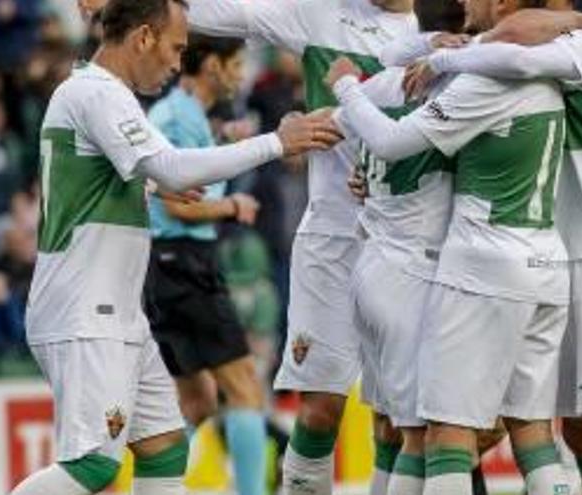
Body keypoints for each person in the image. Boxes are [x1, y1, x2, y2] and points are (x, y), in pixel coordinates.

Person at [11, 0, 340, 493]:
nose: (175, 62)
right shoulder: (95, 94)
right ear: (143, 37)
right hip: (84, 309)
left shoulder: (105, 95)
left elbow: (126, 177)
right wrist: (279, 141)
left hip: (119, 311)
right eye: (175, 48)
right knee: (94, 465)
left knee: (165, 447)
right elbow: (171, 165)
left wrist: (153, 187)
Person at [367, 0, 582, 493]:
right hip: (556, 251)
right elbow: (415, 60)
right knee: (576, 432)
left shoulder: (577, 45)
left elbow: (519, 51)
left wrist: (441, 59)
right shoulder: (497, 57)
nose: (462, 4)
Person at [327, 0, 577, 491]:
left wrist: (346, 87)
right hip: (534, 259)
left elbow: (384, 136)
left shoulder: (440, 80)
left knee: (426, 435)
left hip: (439, 265)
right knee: (522, 432)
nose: (469, 3)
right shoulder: (557, 69)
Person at [186, 2, 425, 494]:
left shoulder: (431, 43)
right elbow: (229, 15)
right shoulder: (321, 13)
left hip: (402, 243)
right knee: (320, 409)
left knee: (398, 420)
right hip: (332, 242)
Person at [144, 34, 268, 495]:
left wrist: (218, 139)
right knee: (245, 388)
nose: (241, 74)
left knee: (196, 402)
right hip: (183, 262)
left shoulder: (189, 118)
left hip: (165, 266)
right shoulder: (176, 116)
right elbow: (178, 203)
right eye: (235, 65)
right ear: (212, 65)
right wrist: (233, 205)